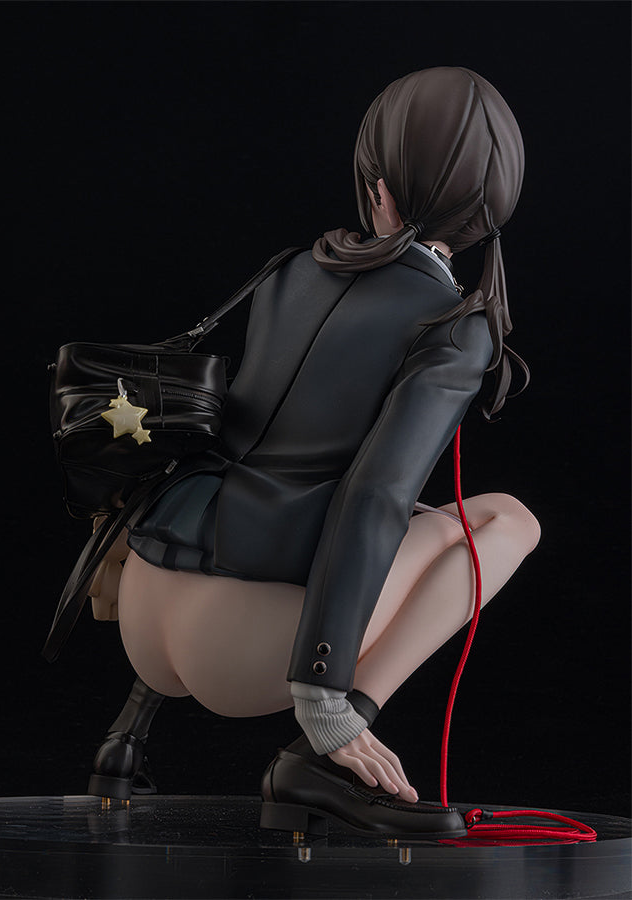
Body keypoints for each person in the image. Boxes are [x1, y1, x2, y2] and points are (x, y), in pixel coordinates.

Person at [87, 66, 540, 838]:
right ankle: (322, 750)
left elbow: (256, 439)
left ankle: (124, 735)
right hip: (242, 652)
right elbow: (373, 496)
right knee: (505, 520)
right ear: (489, 207)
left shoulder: (294, 268)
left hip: (143, 609)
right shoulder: (454, 324)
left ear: (377, 184)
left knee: (337, 490)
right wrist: (323, 697)